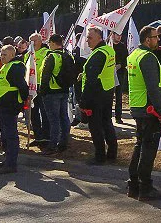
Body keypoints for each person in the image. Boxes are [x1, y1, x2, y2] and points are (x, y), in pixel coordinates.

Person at [127, 25, 161, 201]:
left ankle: (133, 185)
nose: (158, 39)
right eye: (155, 37)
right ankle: (145, 188)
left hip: (138, 106)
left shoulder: (134, 55)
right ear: (147, 39)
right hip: (149, 109)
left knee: (140, 145)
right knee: (148, 149)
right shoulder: (148, 57)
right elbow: (152, 88)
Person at [79, 26, 118, 164]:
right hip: (107, 92)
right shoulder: (109, 50)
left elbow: (91, 81)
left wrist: (83, 102)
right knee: (107, 123)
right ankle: (112, 153)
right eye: (87, 37)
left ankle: (100, 156)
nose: (87, 41)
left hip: (96, 95)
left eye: (90, 38)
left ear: (99, 38)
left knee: (95, 127)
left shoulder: (98, 54)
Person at [0, 44, 28, 175]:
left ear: (12, 55)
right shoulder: (6, 66)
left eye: (5, 54)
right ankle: (7, 160)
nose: (2, 56)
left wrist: (24, 100)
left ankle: (11, 164)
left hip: (9, 105)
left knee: (11, 135)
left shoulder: (15, 66)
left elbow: (22, 86)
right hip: (3, 105)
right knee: (6, 135)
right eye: (1, 54)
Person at [39, 34, 72, 155]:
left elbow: (45, 75)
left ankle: (52, 145)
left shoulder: (52, 56)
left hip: (52, 92)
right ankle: (63, 143)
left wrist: (42, 91)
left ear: (53, 43)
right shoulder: (68, 55)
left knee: (54, 120)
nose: (48, 45)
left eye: (49, 43)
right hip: (64, 90)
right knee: (64, 117)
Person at [24, 32, 50, 145]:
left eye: (34, 40)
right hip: (31, 87)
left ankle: (46, 136)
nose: (32, 43)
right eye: (30, 41)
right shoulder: (27, 55)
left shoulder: (46, 52)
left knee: (44, 112)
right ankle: (38, 136)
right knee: (33, 112)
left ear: (40, 41)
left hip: (42, 86)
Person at [111, 31, 129, 124]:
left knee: (119, 95)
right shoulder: (109, 46)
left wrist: (120, 65)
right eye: (117, 35)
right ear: (112, 35)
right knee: (109, 96)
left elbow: (127, 59)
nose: (119, 37)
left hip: (120, 73)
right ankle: (108, 116)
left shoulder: (122, 46)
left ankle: (118, 117)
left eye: (120, 35)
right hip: (109, 74)